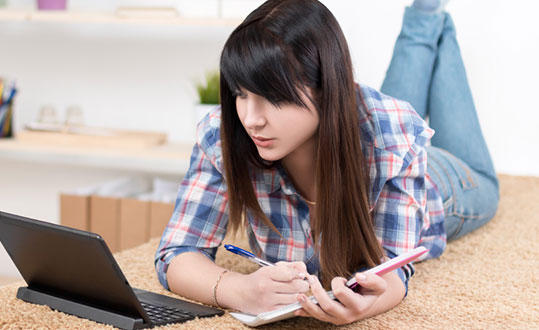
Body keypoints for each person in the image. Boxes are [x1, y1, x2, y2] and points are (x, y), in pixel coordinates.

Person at [155, 0, 500, 324]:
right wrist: (238, 290)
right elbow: (177, 252)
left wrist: (369, 304)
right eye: (240, 93)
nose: (250, 118)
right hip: (361, 134)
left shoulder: (394, 134)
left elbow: (394, 270)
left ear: (325, 87)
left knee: (484, 179)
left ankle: (431, 19)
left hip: (441, 182)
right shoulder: (223, 132)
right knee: (389, 112)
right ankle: (424, 19)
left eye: (272, 98)